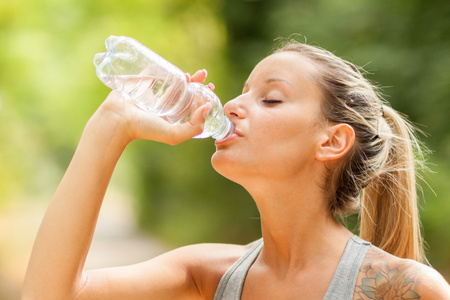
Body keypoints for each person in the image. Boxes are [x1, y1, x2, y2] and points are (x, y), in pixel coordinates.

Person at [22, 40, 450, 300]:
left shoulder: (406, 289)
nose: (231, 105)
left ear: (332, 141)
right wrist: (109, 127)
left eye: (271, 98)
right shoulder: (210, 274)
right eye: (242, 92)